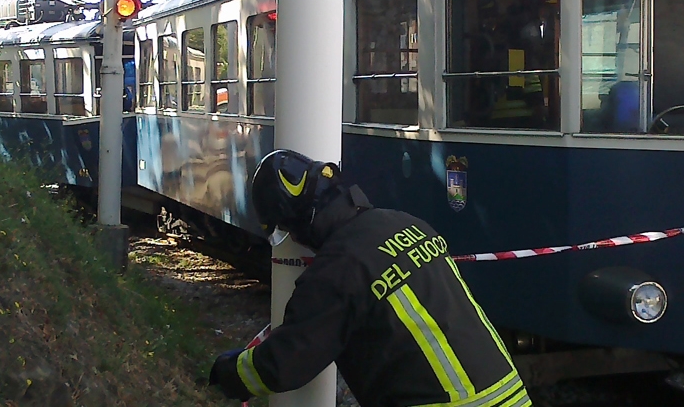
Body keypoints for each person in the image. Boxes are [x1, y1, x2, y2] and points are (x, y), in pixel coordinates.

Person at [209, 149, 530, 407]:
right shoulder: (408, 224)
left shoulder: (336, 270)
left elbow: (285, 363)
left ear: (298, 219)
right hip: (511, 394)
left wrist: (226, 371)